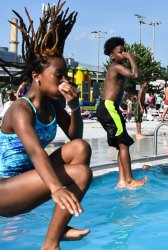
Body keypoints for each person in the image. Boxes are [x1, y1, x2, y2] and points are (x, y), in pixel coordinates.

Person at [0, 2, 93, 249]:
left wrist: (74, 107)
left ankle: (59, 229)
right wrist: (56, 189)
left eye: (66, 75)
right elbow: (35, 151)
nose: (65, 80)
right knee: (82, 173)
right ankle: (50, 244)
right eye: (59, 75)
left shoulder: (52, 105)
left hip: (31, 180)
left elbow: (75, 139)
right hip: (5, 190)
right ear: (37, 76)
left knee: (81, 149)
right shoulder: (20, 109)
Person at [96, 37, 147, 189]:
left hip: (109, 108)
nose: (124, 53)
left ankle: (122, 180)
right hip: (109, 107)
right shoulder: (115, 67)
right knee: (124, 143)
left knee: (121, 144)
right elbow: (135, 75)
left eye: (125, 51)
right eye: (121, 52)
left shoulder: (115, 68)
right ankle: (130, 180)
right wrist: (131, 57)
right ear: (112, 56)